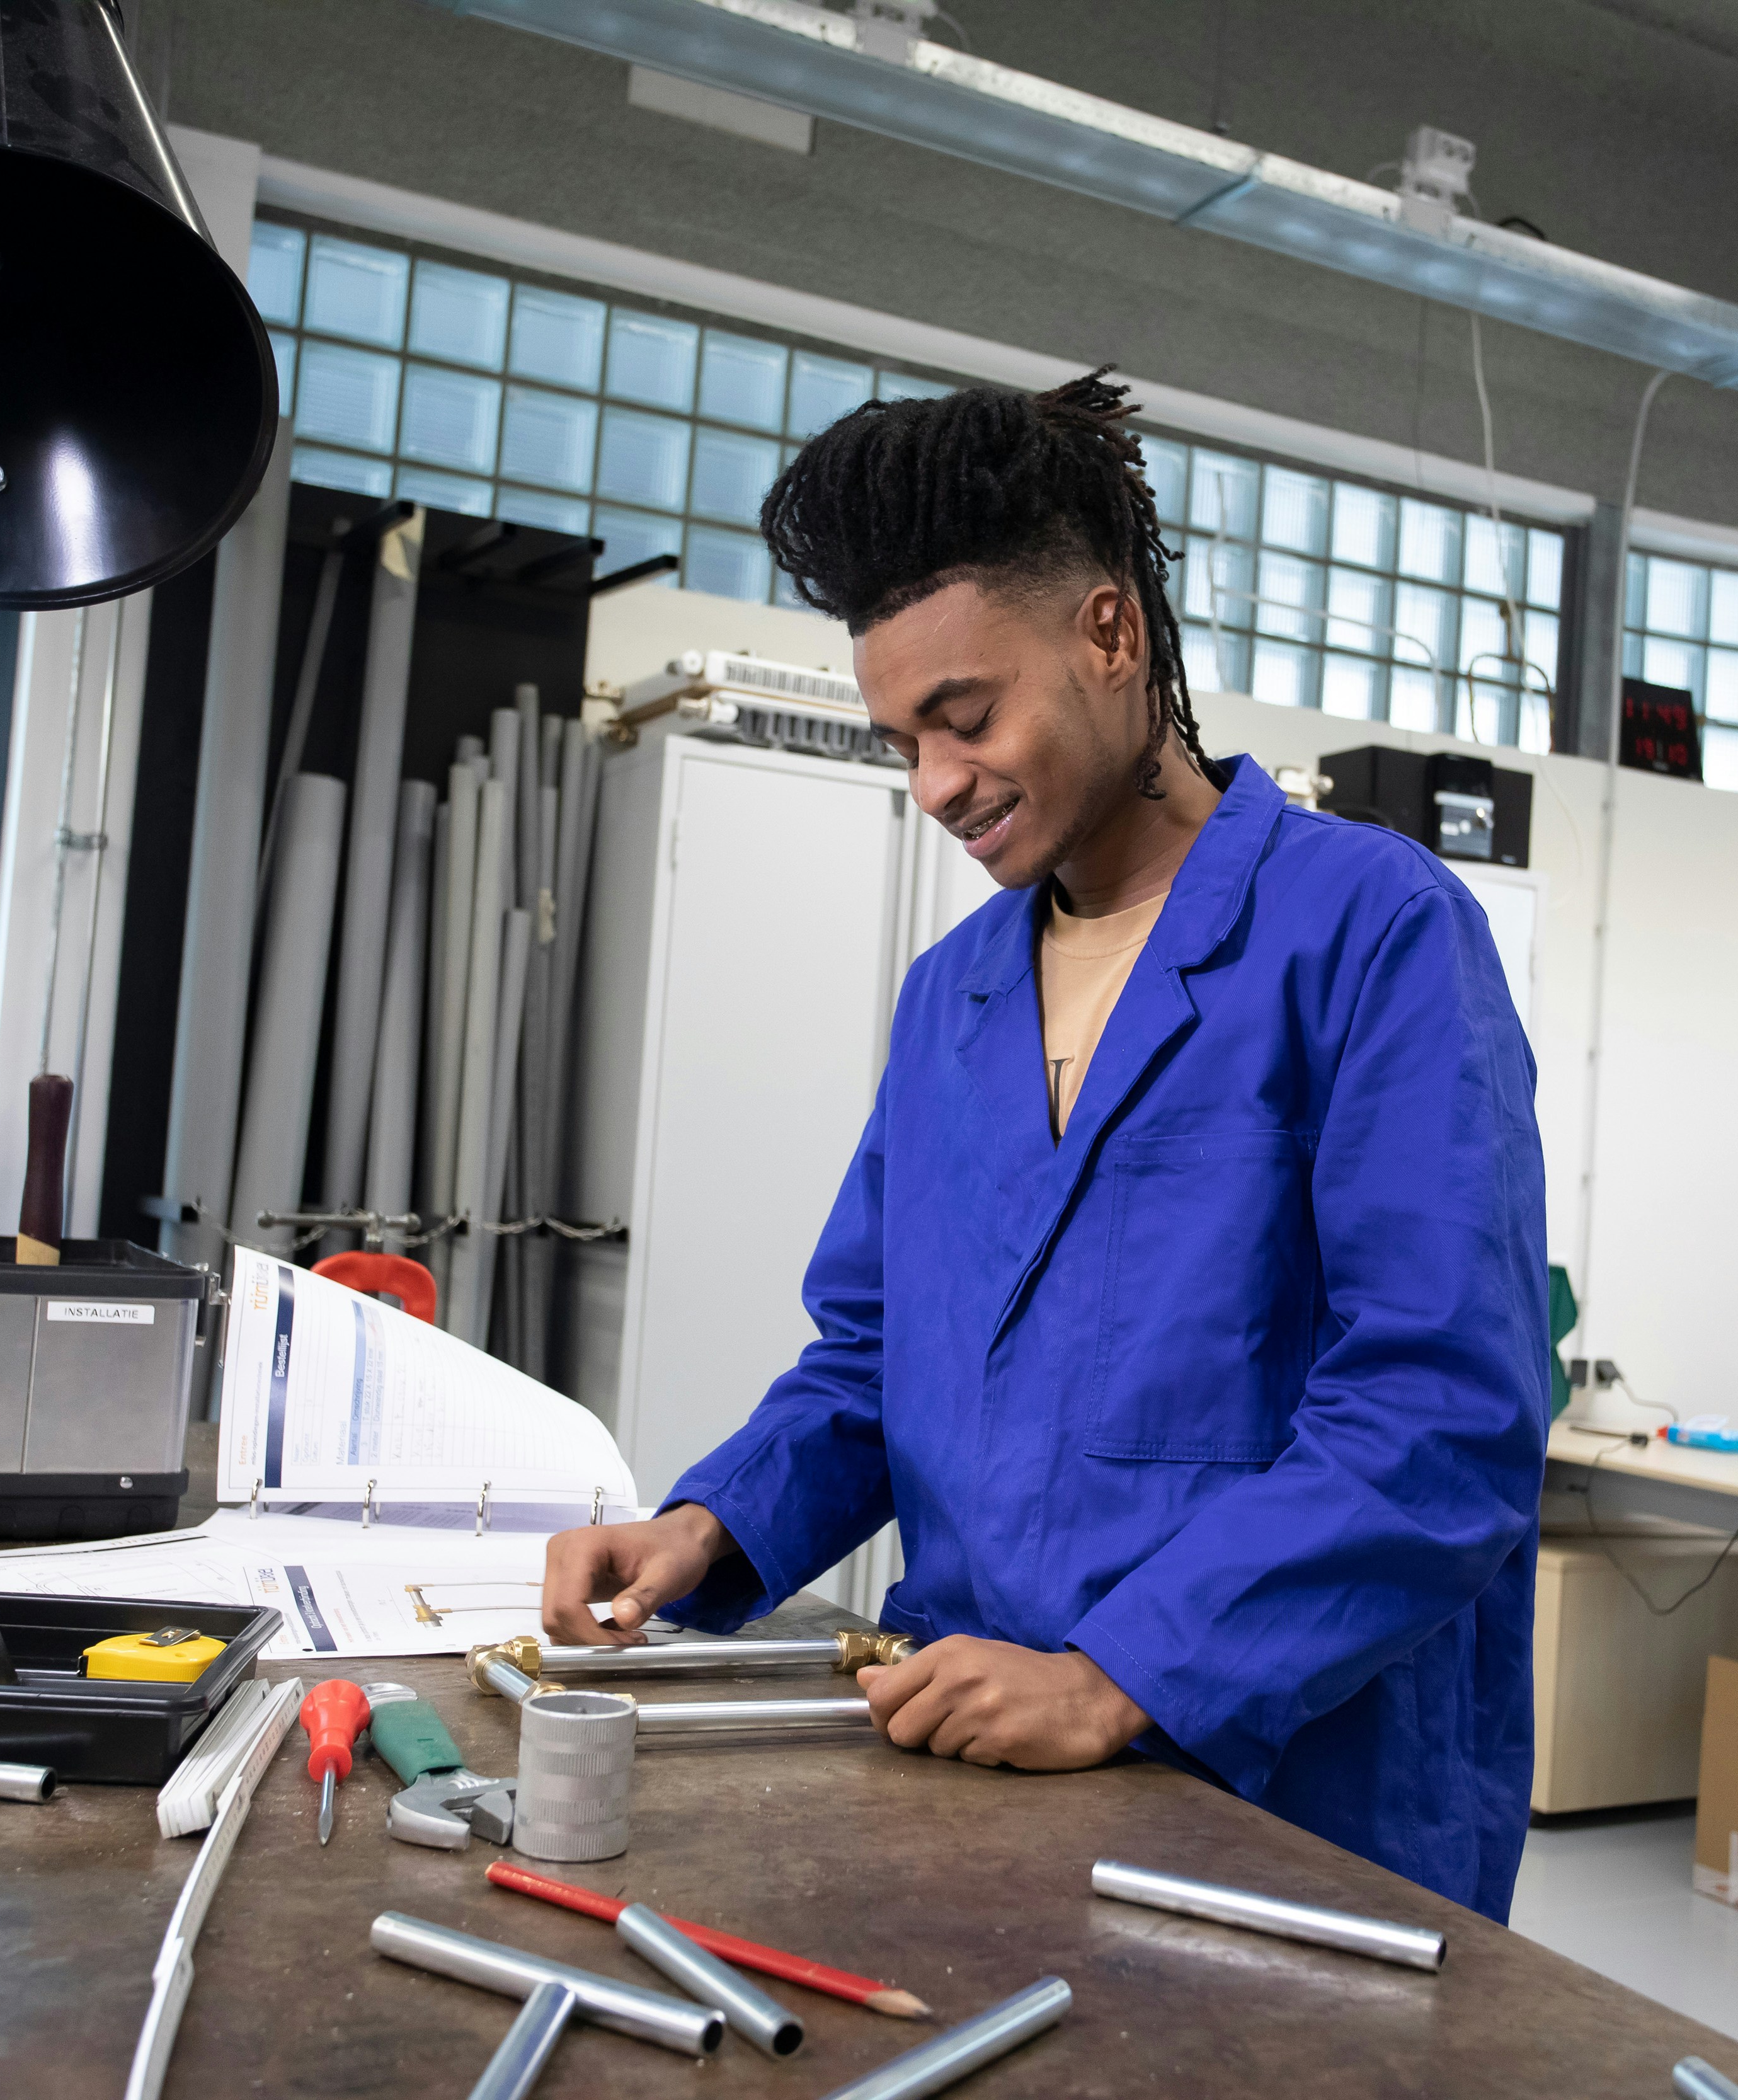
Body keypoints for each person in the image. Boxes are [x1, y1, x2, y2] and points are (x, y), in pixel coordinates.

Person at [541, 369, 1548, 1919]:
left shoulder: (1376, 934)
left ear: (1107, 631)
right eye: (903, 743)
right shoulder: (955, 998)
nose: (938, 785)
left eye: (965, 717)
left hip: (1298, 1808)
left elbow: (1437, 1417)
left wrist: (1115, 1675)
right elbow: (875, 1358)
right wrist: (705, 1523)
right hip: (976, 1778)